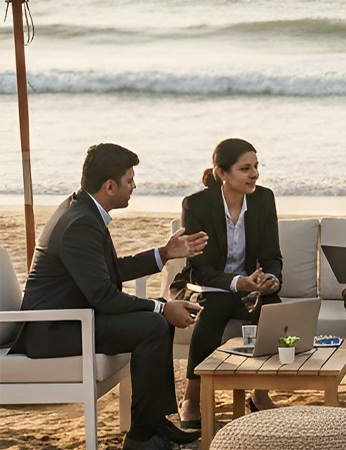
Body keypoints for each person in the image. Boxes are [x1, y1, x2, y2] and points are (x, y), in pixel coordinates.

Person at [14, 143, 209, 450]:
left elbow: (109, 271)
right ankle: (142, 437)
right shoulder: (80, 223)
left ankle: (152, 424)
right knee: (154, 324)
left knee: (156, 321)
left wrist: (164, 253)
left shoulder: (83, 209)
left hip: (76, 317)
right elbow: (104, 295)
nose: (134, 186)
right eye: (129, 180)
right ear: (109, 186)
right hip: (55, 329)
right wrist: (161, 307)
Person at [173, 138, 286, 426]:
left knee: (273, 306)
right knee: (216, 306)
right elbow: (200, 268)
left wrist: (271, 279)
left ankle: (259, 394)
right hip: (210, 286)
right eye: (245, 168)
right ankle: (192, 398)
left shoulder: (263, 199)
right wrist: (238, 282)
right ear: (222, 173)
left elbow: (272, 256)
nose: (255, 174)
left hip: (248, 288)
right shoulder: (197, 205)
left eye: (256, 167)